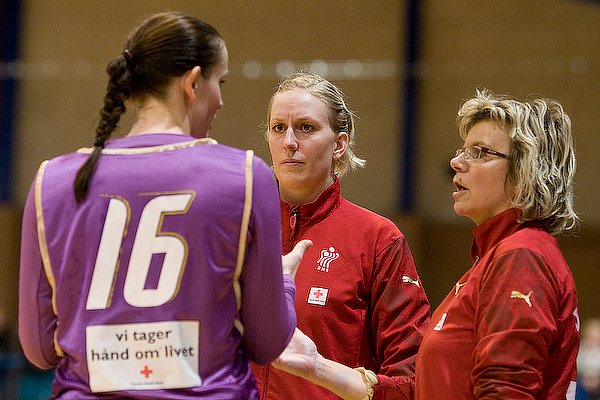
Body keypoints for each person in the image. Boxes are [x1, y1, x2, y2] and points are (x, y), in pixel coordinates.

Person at [18, 11, 311, 399]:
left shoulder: (50, 182)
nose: (221, 100)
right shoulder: (245, 175)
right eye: (219, 82)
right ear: (192, 83)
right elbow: (267, 342)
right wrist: (284, 281)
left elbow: (39, 349)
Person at [251, 72, 430, 400]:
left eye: (306, 127)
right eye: (279, 127)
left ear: (339, 144)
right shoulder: (237, 230)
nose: (289, 141)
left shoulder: (377, 239)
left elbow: (412, 375)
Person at [414, 88, 580, 399]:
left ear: (526, 170)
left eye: (479, 152)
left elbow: (506, 391)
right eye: (463, 150)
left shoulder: (521, 255)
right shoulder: (500, 255)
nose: (456, 162)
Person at [576, 318, 600, 400]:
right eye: (591, 339)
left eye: (597, 340)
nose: (594, 343)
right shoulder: (580, 350)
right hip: (582, 387)